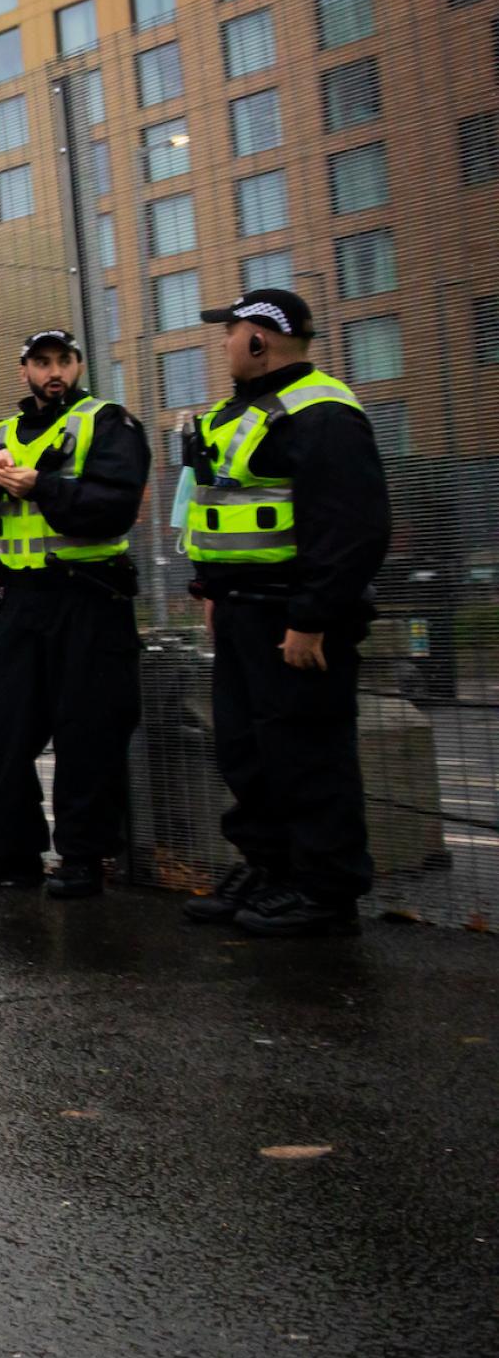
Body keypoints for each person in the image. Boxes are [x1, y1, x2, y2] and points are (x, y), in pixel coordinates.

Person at [177, 289, 391, 938]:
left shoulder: (323, 412)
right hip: (243, 613)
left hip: (292, 619)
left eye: (231, 330)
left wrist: (311, 617)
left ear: (259, 340)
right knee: (248, 751)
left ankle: (324, 888)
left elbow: (353, 528)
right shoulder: (235, 414)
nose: (223, 343)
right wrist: (213, 593)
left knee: (307, 751)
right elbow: (220, 513)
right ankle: (271, 871)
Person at [0, 329, 150, 898]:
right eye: (41, 362)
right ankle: (11, 854)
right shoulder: (2, 434)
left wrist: (40, 487)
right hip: (20, 605)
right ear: (24, 371)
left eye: (63, 361)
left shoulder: (110, 424)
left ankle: (83, 860)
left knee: (88, 734)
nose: (53, 371)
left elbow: (114, 509)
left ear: (79, 365)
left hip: (89, 599)